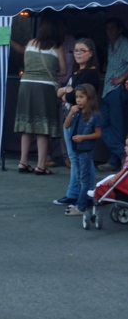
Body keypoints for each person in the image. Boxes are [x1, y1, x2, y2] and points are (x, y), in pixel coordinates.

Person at [13, 18, 67, 174]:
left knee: (27, 124)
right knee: (43, 126)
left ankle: (23, 162)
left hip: (26, 85)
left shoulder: (30, 44)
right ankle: (40, 165)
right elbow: (63, 71)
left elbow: (26, 64)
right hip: (45, 87)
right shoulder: (57, 48)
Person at [53, 38, 101, 206]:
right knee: (74, 158)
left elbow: (73, 96)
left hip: (82, 120)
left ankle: (86, 195)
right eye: (76, 51)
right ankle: (74, 193)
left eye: (82, 50)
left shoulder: (91, 73)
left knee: (82, 159)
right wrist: (65, 91)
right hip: (70, 116)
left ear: (91, 53)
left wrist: (66, 93)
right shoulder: (76, 73)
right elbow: (59, 91)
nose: (78, 54)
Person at [63, 84, 102, 216]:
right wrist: (71, 112)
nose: (78, 100)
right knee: (79, 178)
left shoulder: (94, 115)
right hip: (77, 149)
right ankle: (79, 203)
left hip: (85, 151)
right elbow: (66, 125)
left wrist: (83, 137)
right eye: (77, 97)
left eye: (81, 97)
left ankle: (81, 206)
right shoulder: (77, 113)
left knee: (84, 179)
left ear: (89, 98)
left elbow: (98, 134)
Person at [98, 18, 128, 171]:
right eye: (107, 28)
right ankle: (120, 156)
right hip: (108, 89)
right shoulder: (111, 45)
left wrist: (123, 78)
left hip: (117, 90)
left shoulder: (125, 43)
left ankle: (117, 159)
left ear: (120, 29)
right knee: (102, 124)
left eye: (112, 28)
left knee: (117, 127)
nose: (109, 31)